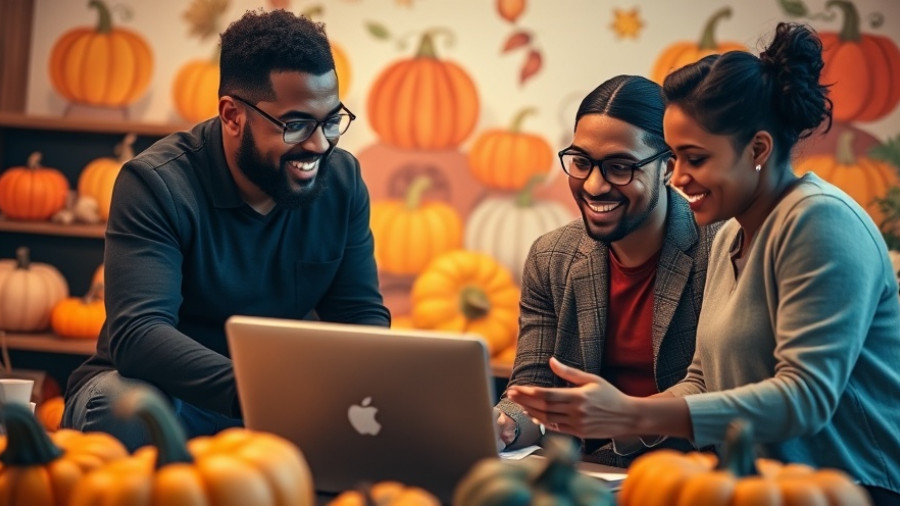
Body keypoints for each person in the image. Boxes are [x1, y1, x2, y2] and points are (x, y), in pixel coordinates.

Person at [507, 23, 900, 503]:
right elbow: (702, 379)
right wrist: (618, 411)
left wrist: (632, 415)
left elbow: (805, 398)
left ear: (757, 150)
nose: (679, 177)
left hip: (850, 487)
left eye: (694, 159)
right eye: (674, 158)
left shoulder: (820, 220)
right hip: (755, 488)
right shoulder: (733, 231)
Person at [62, 9, 390, 451]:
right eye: (296, 124)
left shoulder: (342, 181)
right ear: (233, 115)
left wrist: (376, 392)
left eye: (331, 120)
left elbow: (359, 317)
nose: (319, 144)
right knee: (124, 405)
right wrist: (264, 396)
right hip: (169, 398)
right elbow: (138, 335)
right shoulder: (156, 183)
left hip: (278, 408)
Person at [494, 75, 721, 467]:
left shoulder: (719, 249)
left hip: (684, 476)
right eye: (581, 162)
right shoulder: (552, 256)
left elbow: (721, 395)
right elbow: (532, 388)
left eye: (620, 167)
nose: (595, 186)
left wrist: (624, 418)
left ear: (667, 168)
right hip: (584, 475)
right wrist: (506, 424)